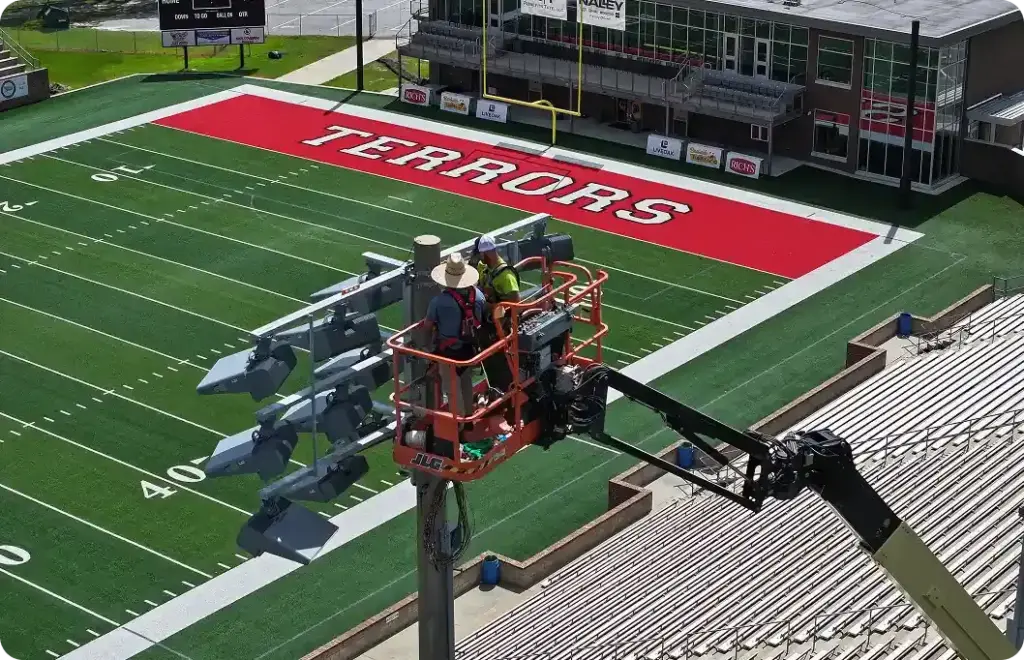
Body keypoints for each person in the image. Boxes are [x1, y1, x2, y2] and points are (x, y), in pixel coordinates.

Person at [423, 252, 485, 417]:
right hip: (471, 349)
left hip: (449, 353)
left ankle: (459, 424)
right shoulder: (478, 296)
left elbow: (427, 325)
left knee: (451, 389)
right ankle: (469, 417)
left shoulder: (438, 302)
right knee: (465, 382)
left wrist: (427, 347)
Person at [474, 234, 521, 305]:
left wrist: (494, 307)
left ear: (488, 252)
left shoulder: (506, 276)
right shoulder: (483, 266)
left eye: (481, 253)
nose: (480, 256)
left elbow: (516, 303)